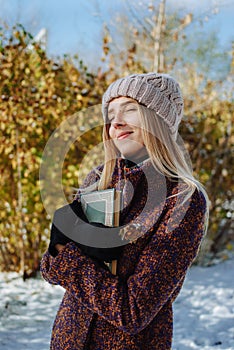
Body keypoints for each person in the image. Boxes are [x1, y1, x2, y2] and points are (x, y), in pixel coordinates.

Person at [40, 72, 209, 350]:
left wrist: (68, 257)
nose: (115, 122)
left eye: (130, 110)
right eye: (111, 114)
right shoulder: (98, 181)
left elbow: (133, 312)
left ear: (158, 121)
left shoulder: (181, 199)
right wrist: (57, 246)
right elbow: (51, 272)